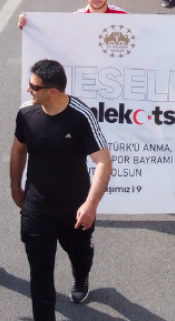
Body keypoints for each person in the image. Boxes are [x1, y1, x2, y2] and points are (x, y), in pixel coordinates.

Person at [10, 59, 112, 314]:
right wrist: (15, 186)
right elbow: (18, 149)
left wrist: (90, 204)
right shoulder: (26, 113)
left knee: (79, 253)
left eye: (33, 86)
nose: (28, 90)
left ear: (51, 91)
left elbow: (103, 162)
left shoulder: (81, 115)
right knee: (40, 274)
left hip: (74, 208)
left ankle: (81, 274)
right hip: (36, 208)